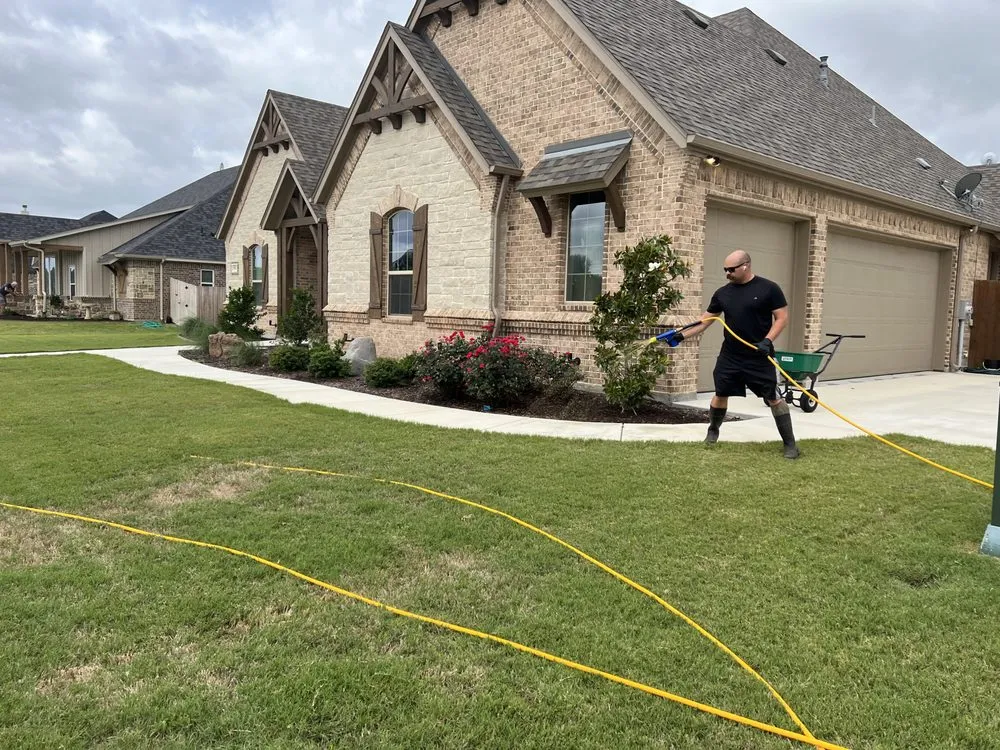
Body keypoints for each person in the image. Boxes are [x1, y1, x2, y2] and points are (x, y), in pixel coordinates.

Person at [660, 251, 800, 459]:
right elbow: (705, 321)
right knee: (720, 393)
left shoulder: (769, 289)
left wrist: (767, 341)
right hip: (731, 356)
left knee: (773, 398)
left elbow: (782, 318)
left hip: (759, 355)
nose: (727, 273)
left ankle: (790, 444)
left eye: (731, 269)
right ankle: (713, 431)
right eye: (725, 269)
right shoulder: (722, 293)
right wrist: (680, 336)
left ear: (745, 266)